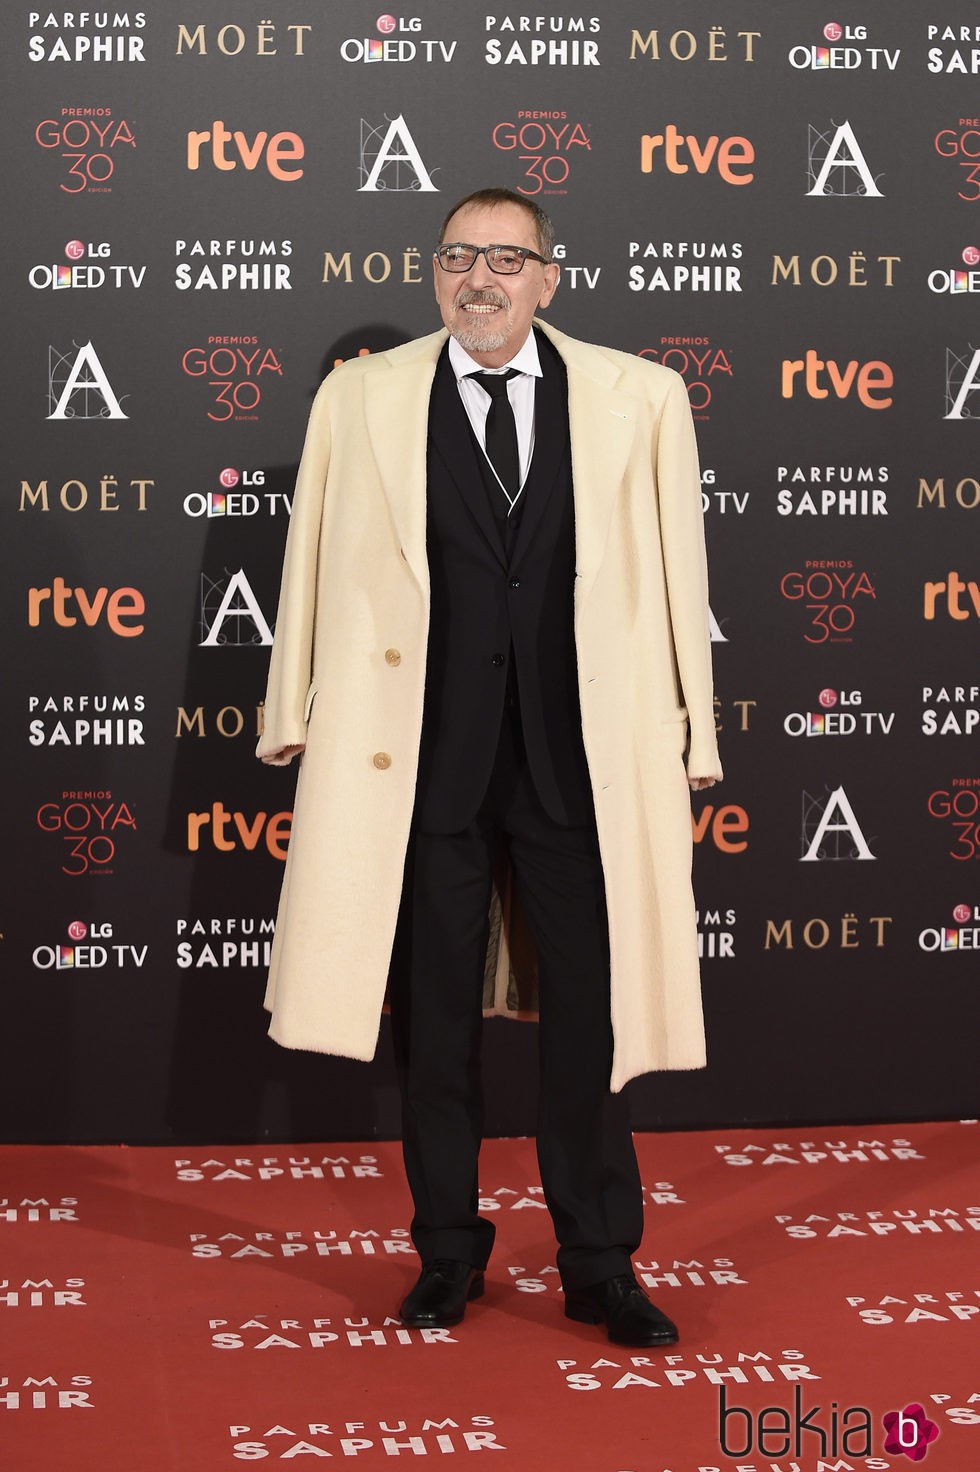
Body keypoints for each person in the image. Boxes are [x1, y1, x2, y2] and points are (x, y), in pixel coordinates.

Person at [257, 187, 722, 1348]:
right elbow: (309, 551)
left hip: (582, 765)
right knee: (434, 1025)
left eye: (506, 259)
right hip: (417, 765)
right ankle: (446, 1253)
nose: (481, 278)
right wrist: (289, 707)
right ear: (434, 273)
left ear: (547, 277)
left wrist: (689, 731)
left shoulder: (639, 397)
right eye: (460, 256)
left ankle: (599, 1261)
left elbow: (677, 576)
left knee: (589, 1022)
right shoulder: (358, 397)